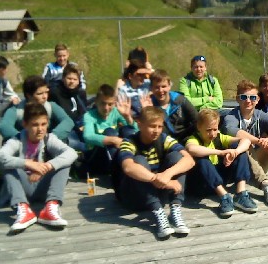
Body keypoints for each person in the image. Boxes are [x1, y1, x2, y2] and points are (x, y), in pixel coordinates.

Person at [0, 102, 78, 233]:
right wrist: (27, 163)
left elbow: (72, 153)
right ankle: (23, 209)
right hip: (23, 187)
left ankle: (50, 207)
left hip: (43, 187)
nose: (40, 129)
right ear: (25, 124)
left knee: (64, 163)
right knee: (8, 165)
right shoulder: (17, 140)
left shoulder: (49, 138)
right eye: (35, 125)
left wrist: (47, 166)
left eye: (44, 124)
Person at [117, 106, 195, 239]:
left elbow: (190, 160)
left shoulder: (164, 139)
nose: (157, 131)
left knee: (177, 157)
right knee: (139, 160)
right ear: (139, 124)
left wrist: (167, 174)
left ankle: (175, 208)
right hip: (134, 196)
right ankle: (158, 212)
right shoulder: (129, 142)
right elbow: (128, 167)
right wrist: (160, 180)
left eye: (159, 126)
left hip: (158, 192)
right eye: (152, 126)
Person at [223, 79, 268, 204]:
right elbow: (231, 130)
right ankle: (266, 185)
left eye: (252, 97)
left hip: (257, 164)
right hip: (236, 168)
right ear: (237, 99)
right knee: (243, 143)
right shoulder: (231, 116)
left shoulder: (259, 115)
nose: (248, 101)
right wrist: (260, 142)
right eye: (244, 97)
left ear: (257, 99)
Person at [185, 109, 256, 217]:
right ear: (199, 127)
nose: (212, 134)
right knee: (201, 159)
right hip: (201, 185)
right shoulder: (194, 139)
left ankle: (241, 194)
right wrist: (221, 152)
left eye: (215, 129)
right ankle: (224, 197)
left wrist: (235, 152)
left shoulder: (218, 137)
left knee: (240, 152)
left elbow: (246, 140)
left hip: (219, 181)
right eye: (208, 130)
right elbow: (191, 149)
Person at [0, 75, 74, 143]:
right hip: (24, 146)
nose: (45, 96)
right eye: (40, 94)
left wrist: (51, 137)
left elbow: (67, 121)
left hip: (47, 144)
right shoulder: (16, 110)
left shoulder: (51, 106)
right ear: (28, 95)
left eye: (46, 92)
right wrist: (24, 139)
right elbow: (4, 126)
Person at [82, 84, 136, 176]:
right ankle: (118, 173)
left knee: (127, 129)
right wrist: (113, 140)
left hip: (114, 153)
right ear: (96, 102)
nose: (106, 108)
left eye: (110, 104)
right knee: (110, 131)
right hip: (96, 156)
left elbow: (136, 132)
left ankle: (132, 165)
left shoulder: (115, 112)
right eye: (103, 103)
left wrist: (127, 117)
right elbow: (88, 136)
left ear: (114, 103)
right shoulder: (89, 115)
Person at [149, 69, 198, 143]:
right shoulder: (149, 104)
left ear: (169, 86)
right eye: (157, 87)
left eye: (163, 86)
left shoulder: (180, 100)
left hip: (185, 138)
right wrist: (146, 110)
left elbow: (197, 119)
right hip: (163, 142)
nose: (160, 90)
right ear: (151, 88)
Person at [48, 64, 88, 150]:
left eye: (75, 79)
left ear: (78, 81)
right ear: (63, 78)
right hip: (65, 130)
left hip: (80, 127)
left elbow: (83, 112)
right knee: (82, 146)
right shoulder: (55, 93)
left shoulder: (80, 93)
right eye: (69, 78)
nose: (72, 81)